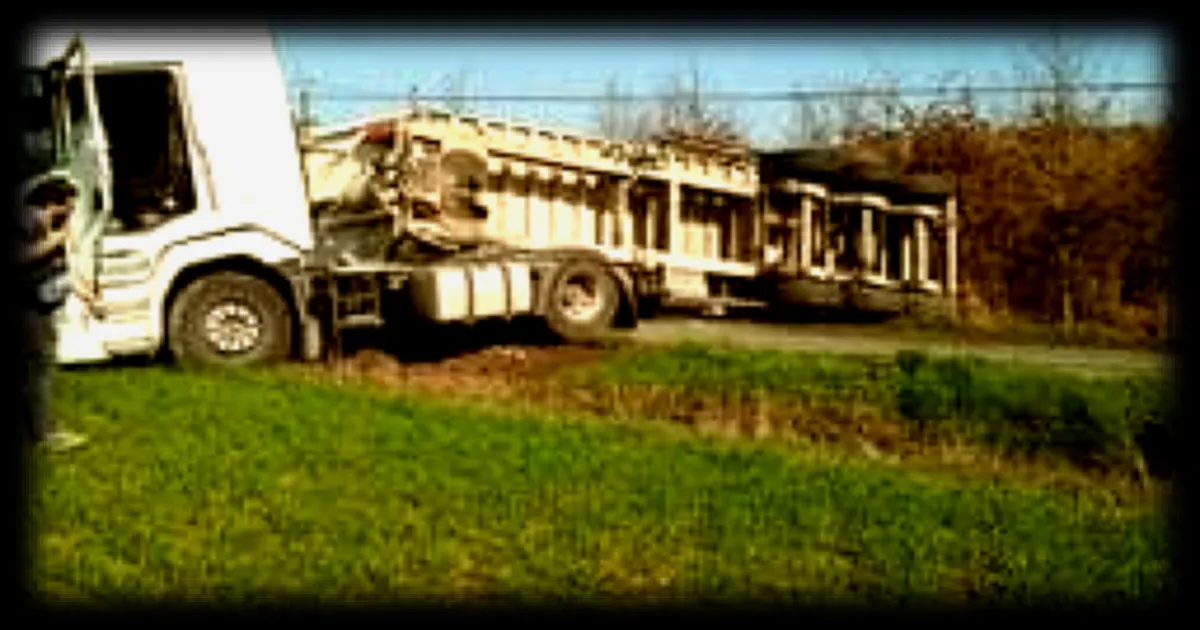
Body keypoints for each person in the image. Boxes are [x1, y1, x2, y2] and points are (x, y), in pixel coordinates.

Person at [20, 174, 98, 453]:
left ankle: (40, 428)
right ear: (53, 202)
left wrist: (88, 296)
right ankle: (44, 433)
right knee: (38, 370)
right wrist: (55, 241)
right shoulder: (26, 222)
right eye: (70, 206)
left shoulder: (51, 225)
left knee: (40, 368)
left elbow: (62, 269)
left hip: (43, 306)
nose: (72, 212)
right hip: (28, 309)